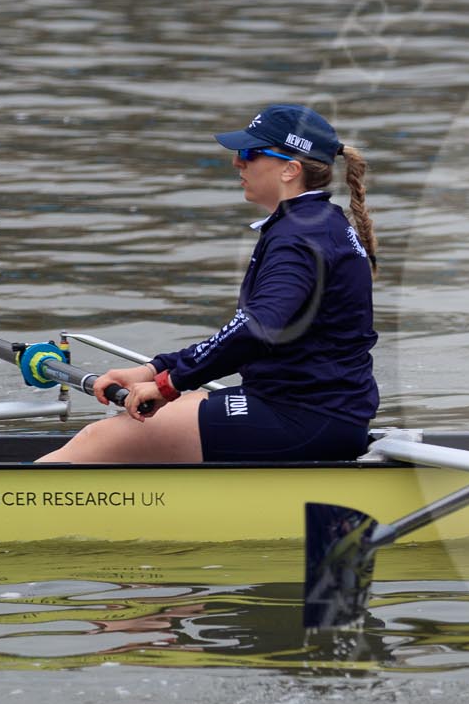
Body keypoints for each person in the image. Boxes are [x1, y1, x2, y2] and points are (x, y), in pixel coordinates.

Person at [39, 104, 380, 464]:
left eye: (249, 153)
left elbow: (256, 327)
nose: (237, 163)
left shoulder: (299, 236)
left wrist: (169, 383)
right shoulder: (316, 223)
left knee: (100, 439)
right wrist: (155, 369)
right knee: (126, 429)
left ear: (290, 170)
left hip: (302, 418)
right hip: (311, 410)